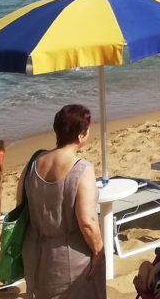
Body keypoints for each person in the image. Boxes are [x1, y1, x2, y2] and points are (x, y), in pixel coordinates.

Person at [22, 104, 105, 299]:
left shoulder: (33, 163)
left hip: (36, 251)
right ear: (80, 135)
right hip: (70, 255)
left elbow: (22, 205)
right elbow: (87, 221)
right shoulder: (81, 169)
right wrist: (99, 250)